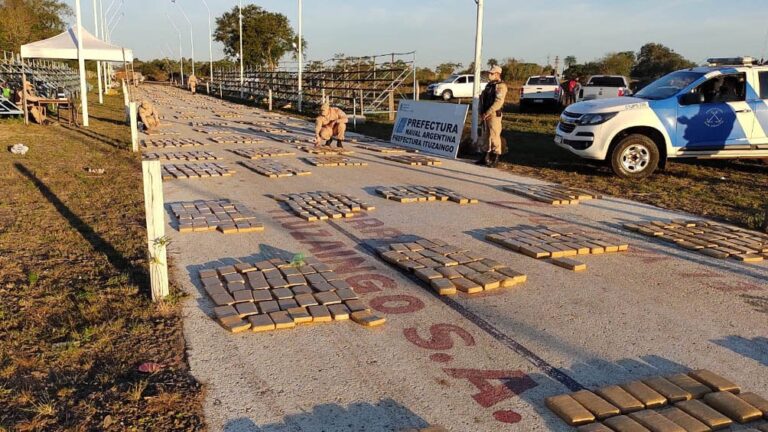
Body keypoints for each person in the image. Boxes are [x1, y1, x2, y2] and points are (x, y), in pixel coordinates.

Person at [476, 65, 507, 167]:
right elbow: (483, 99)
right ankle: (485, 156)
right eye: (489, 73)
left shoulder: (501, 86)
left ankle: (496, 157)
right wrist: (481, 112)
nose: (489, 75)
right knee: (486, 136)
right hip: (486, 114)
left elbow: (498, 102)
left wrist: (488, 112)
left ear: (498, 74)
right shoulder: (489, 85)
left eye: (492, 73)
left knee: (494, 136)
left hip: (494, 114)